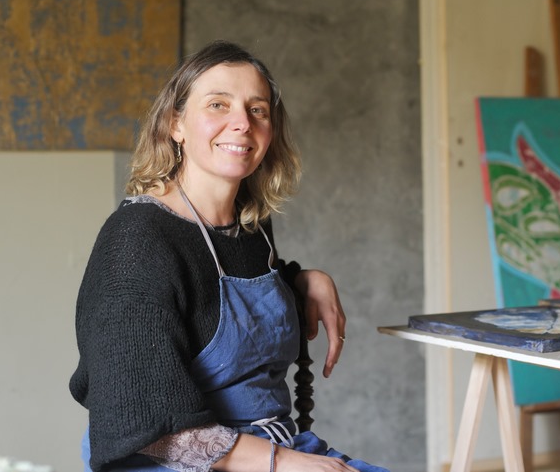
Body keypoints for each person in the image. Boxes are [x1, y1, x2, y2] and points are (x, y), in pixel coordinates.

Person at [70, 40, 388, 472]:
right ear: (175, 124)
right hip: (176, 461)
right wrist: (282, 462)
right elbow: (144, 424)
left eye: (258, 110)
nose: (242, 123)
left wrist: (303, 279)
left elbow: (214, 301)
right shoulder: (137, 239)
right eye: (218, 105)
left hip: (268, 444)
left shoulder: (248, 225)